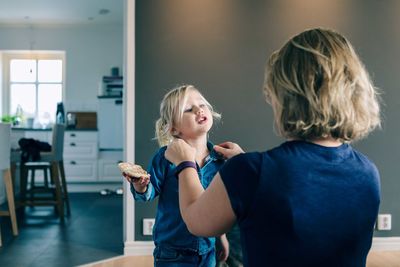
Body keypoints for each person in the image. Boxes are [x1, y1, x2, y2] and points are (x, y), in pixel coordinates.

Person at [165, 28, 381, 267]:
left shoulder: (250, 172)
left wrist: (185, 163)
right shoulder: (369, 173)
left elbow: (197, 222)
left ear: (285, 96)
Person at [123, 84, 229, 266]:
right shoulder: (164, 157)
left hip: (208, 249)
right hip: (172, 252)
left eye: (202, 104)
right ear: (173, 129)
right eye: (188, 109)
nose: (198, 109)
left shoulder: (221, 160)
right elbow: (148, 193)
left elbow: (217, 206)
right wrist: (140, 185)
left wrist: (221, 237)